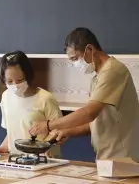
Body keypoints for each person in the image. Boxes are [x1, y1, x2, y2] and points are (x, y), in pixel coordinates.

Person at [30, 28, 139, 161]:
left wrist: (48, 125)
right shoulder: (98, 77)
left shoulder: (112, 71)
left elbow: (89, 113)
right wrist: (67, 131)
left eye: (75, 58)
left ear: (89, 49)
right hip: (107, 156)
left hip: (121, 156)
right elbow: (95, 122)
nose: (76, 64)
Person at [0, 51, 62, 158]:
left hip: (44, 159)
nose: (15, 85)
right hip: (16, 158)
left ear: (27, 76)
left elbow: (59, 131)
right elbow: (13, 130)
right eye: (9, 81)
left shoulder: (45, 98)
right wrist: (3, 146)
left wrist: (44, 148)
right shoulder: (5, 96)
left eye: (20, 80)